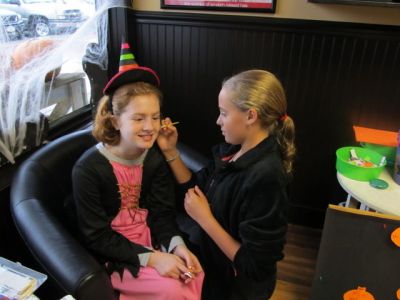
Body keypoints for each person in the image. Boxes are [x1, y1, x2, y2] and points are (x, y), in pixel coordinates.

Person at [72, 41, 204, 300]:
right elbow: (97, 237)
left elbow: (162, 215)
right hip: (115, 255)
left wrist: (177, 247)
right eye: (138, 118)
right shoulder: (87, 169)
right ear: (115, 120)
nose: (149, 126)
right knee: (171, 289)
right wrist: (153, 259)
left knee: (194, 273)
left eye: (155, 117)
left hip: (153, 241)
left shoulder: (153, 160)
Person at [157, 69, 295, 300]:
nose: (218, 120)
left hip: (234, 286)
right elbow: (196, 190)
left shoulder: (266, 178)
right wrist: (170, 150)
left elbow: (255, 266)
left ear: (251, 116)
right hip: (211, 259)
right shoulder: (234, 151)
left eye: (224, 113)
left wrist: (206, 219)